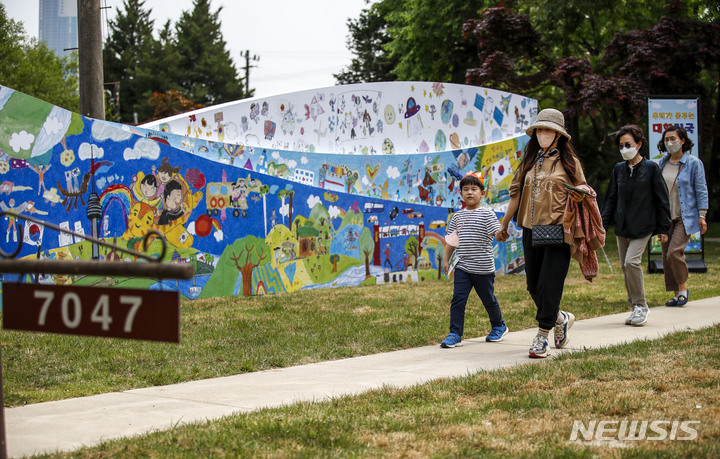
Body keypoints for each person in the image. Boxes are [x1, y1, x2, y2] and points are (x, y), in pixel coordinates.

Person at [495, 108, 584, 358]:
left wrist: (580, 194)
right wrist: (504, 225)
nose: (543, 134)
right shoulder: (529, 162)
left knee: (550, 283)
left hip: (559, 230)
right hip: (530, 230)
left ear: (559, 134)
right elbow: (515, 195)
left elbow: (584, 194)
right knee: (533, 285)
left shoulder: (570, 163)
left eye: (548, 130)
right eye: (540, 130)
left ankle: (542, 336)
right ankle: (560, 317)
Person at [601, 125, 670, 326]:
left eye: (628, 144)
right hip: (622, 227)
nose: (624, 149)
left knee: (632, 263)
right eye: (621, 146)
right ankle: (634, 307)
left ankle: (641, 305)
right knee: (625, 267)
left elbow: (662, 199)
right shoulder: (618, 169)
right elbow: (610, 199)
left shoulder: (651, 168)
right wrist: (602, 226)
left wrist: (664, 228)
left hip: (643, 226)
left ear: (639, 144)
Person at [441, 172, 507, 348]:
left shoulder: (487, 214)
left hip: (483, 267)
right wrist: (446, 260)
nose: (469, 192)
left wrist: (501, 234)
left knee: (488, 299)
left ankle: (499, 325)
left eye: (474, 189)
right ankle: (455, 333)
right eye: (465, 189)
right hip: (462, 266)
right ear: (461, 193)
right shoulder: (456, 217)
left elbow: (496, 233)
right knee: (458, 299)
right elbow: (452, 241)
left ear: (482, 193)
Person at [657, 126, 708, 307]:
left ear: (682, 140)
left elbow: (701, 190)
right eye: (666, 139)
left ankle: (683, 288)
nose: (669, 142)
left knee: (674, 252)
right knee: (665, 256)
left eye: (673, 138)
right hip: (665, 217)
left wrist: (702, 215)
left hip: (684, 217)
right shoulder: (661, 163)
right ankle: (676, 293)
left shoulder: (694, 163)